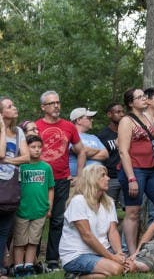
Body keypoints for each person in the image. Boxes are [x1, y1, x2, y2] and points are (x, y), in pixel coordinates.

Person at [36, 90, 87, 272]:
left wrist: (80, 175)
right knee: (37, 221)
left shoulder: (68, 127)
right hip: (39, 180)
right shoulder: (35, 126)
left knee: (58, 221)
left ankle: (51, 260)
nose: (56, 105)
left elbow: (81, 151)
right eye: (52, 103)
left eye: (58, 102)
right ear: (43, 107)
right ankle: (32, 261)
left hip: (62, 179)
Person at [117, 88, 154, 254]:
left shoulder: (147, 118)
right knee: (133, 212)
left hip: (151, 168)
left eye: (144, 96)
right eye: (139, 97)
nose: (144, 99)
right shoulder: (126, 121)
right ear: (130, 103)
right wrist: (131, 178)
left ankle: (153, 245)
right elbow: (123, 151)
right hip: (134, 170)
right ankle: (132, 253)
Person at [58, 164, 129, 278]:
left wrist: (119, 253)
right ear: (92, 179)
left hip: (102, 251)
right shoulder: (78, 201)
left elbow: (113, 231)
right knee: (116, 269)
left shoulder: (109, 202)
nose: (108, 178)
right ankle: (77, 276)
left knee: (131, 266)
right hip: (77, 254)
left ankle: (77, 276)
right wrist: (112, 258)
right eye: (103, 175)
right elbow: (87, 236)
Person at [11, 135, 53, 277]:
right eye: (33, 147)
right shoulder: (20, 166)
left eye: (39, 147)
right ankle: (18, 267)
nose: (36, 150)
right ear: (25, 148)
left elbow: (50, 188)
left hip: (40, 210)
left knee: (33, 241)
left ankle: (29, 266)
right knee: (19, 242)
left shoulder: (46, 167)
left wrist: (49, 207)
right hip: (22, 210)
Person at [1, 97, 30, 268]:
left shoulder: (19, 132)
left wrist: (8, 161)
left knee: (4, 232)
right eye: (9, 106)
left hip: (10, 189)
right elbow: (0, 152)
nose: (14, 107)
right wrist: (2, 129)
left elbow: (26, 157)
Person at [96, 103, 125, 205]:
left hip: (127, 176)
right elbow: (100, 158)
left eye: (122, 112)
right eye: (118, 112)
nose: (121, 114)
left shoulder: (127, 132)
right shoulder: (102, 136)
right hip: (111, 178)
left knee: (132, 210)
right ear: (109, 114)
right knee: (108, 208)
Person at [68, 108, 109, 178]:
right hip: (79, 179)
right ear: (78, 120)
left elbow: (105, 154)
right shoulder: (70, 135)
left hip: (98, 179)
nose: (92, 120)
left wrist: (85, 153)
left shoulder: (94, 137)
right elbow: (79, 150)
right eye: (89, 118)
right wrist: (98, 151)